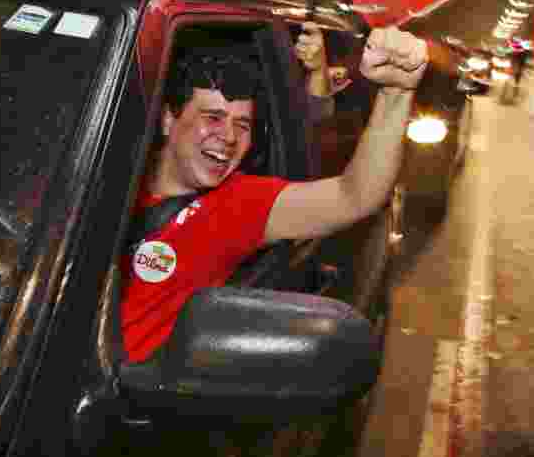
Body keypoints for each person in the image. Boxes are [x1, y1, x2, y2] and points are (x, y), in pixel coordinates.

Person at [121, 24, 428, 362]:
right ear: (167, 120)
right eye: (213, 117)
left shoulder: (237, 203)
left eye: (243, 125)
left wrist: (395, 94)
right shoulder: (105, 173)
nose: (228, 137)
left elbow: (354, 196)